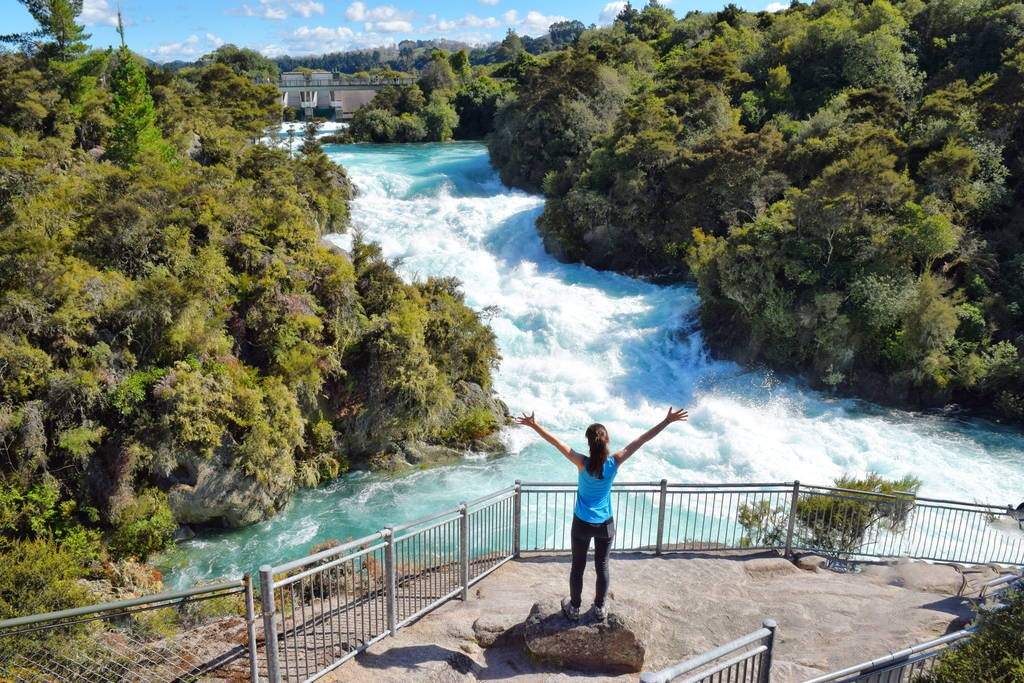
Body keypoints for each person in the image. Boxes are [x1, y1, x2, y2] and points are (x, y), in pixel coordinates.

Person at [514, 407, 689, 621]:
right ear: (607, 441)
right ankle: (599, 607)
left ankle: (575, 608)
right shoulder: (614, 462)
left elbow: (556, 443)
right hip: (605, 523)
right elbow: (642, 439)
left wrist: (534, 425)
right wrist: (667, 421)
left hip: (581, 523)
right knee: (602, 565)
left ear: (589, 443)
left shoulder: (582, 463)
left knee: (577, 567)